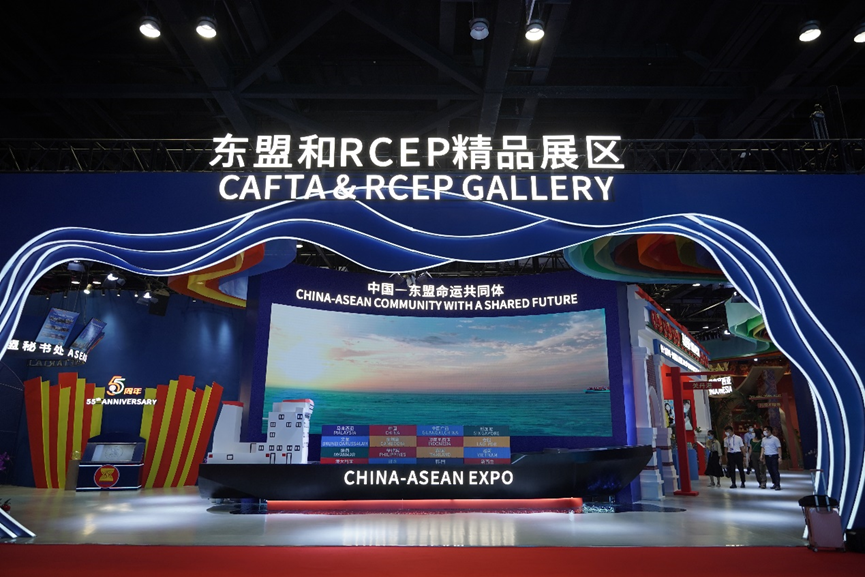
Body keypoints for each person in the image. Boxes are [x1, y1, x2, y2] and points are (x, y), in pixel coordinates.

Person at [761, 425, 783, 490]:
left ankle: (778, 484)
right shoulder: (763, 439)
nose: (765, 432)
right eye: (764, 430)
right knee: (770, 471)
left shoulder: (775, 439)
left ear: (769, 431)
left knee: (775, 470)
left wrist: (780, 457)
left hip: (774, 456)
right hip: (767, 456)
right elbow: (763, 447)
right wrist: (762, 455)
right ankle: (774, 483)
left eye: (766, 430)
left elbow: (779, 448)